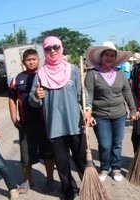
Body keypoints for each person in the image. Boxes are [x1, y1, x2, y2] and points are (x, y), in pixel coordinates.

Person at [29, 36, 92, 199]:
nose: (52, 51)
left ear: (61, 48)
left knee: (81, 160)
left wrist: (87, 109)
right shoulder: (40, 74)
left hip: (75, 124)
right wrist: (36, 96)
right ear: (44, 51)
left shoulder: (72, 69)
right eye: (48, 48)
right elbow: (33, 102)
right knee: (62, 164)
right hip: (54, 127)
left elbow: (82, 93)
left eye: (55, 47)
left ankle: (88, 187)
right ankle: (68, 190)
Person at [84, 41, 137, 182]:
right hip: (100, 116)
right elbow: (87, 95)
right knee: (105, 144)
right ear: (101, 57)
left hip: (119, 114)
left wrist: (132, 109)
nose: (110, 57)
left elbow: (127, 91)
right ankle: (104, 167)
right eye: (106, 54)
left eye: (112, 55)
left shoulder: (120, 73)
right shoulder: (92, 74)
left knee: (117, 143)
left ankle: (116, 167)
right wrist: (87, 113)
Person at [8, 49, 55, 194]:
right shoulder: (17, 79)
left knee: (48, 153)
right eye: (28, 60)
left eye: (34, 59)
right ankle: (28, 181)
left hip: (45, 122)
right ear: (23, 62)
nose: (31, 61)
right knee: (26, 156)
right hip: (26, 123)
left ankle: (50, 180)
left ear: (38, 60)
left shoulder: (45, 75)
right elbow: (11, 98)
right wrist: (13, 117)